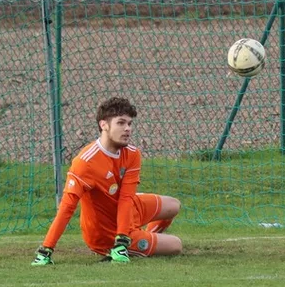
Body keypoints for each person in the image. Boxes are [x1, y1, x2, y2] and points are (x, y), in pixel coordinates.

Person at [32, 97, 181, 265]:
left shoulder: (132, 154)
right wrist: (46, 248)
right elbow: (67, 207)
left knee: (174, 205)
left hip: (127, 213)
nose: (127, 129)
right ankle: (132, 242)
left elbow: (126, 198)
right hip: (105, 233)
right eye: (121, 123)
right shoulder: (85, 163)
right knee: (176, 245)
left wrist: (122, 240)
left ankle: (136, 240)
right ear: (104, 125)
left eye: (130, 124)